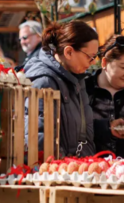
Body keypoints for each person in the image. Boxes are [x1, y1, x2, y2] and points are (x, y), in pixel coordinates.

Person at [24, 21, 100, 157]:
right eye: (90, 56)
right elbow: (39, 139)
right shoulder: (44, 82)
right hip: (56, 173)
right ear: (69, 52)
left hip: (79, 170)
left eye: (95, 56)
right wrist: (64, 167)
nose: (94, 62)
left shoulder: (77, 77)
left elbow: (83, 132)